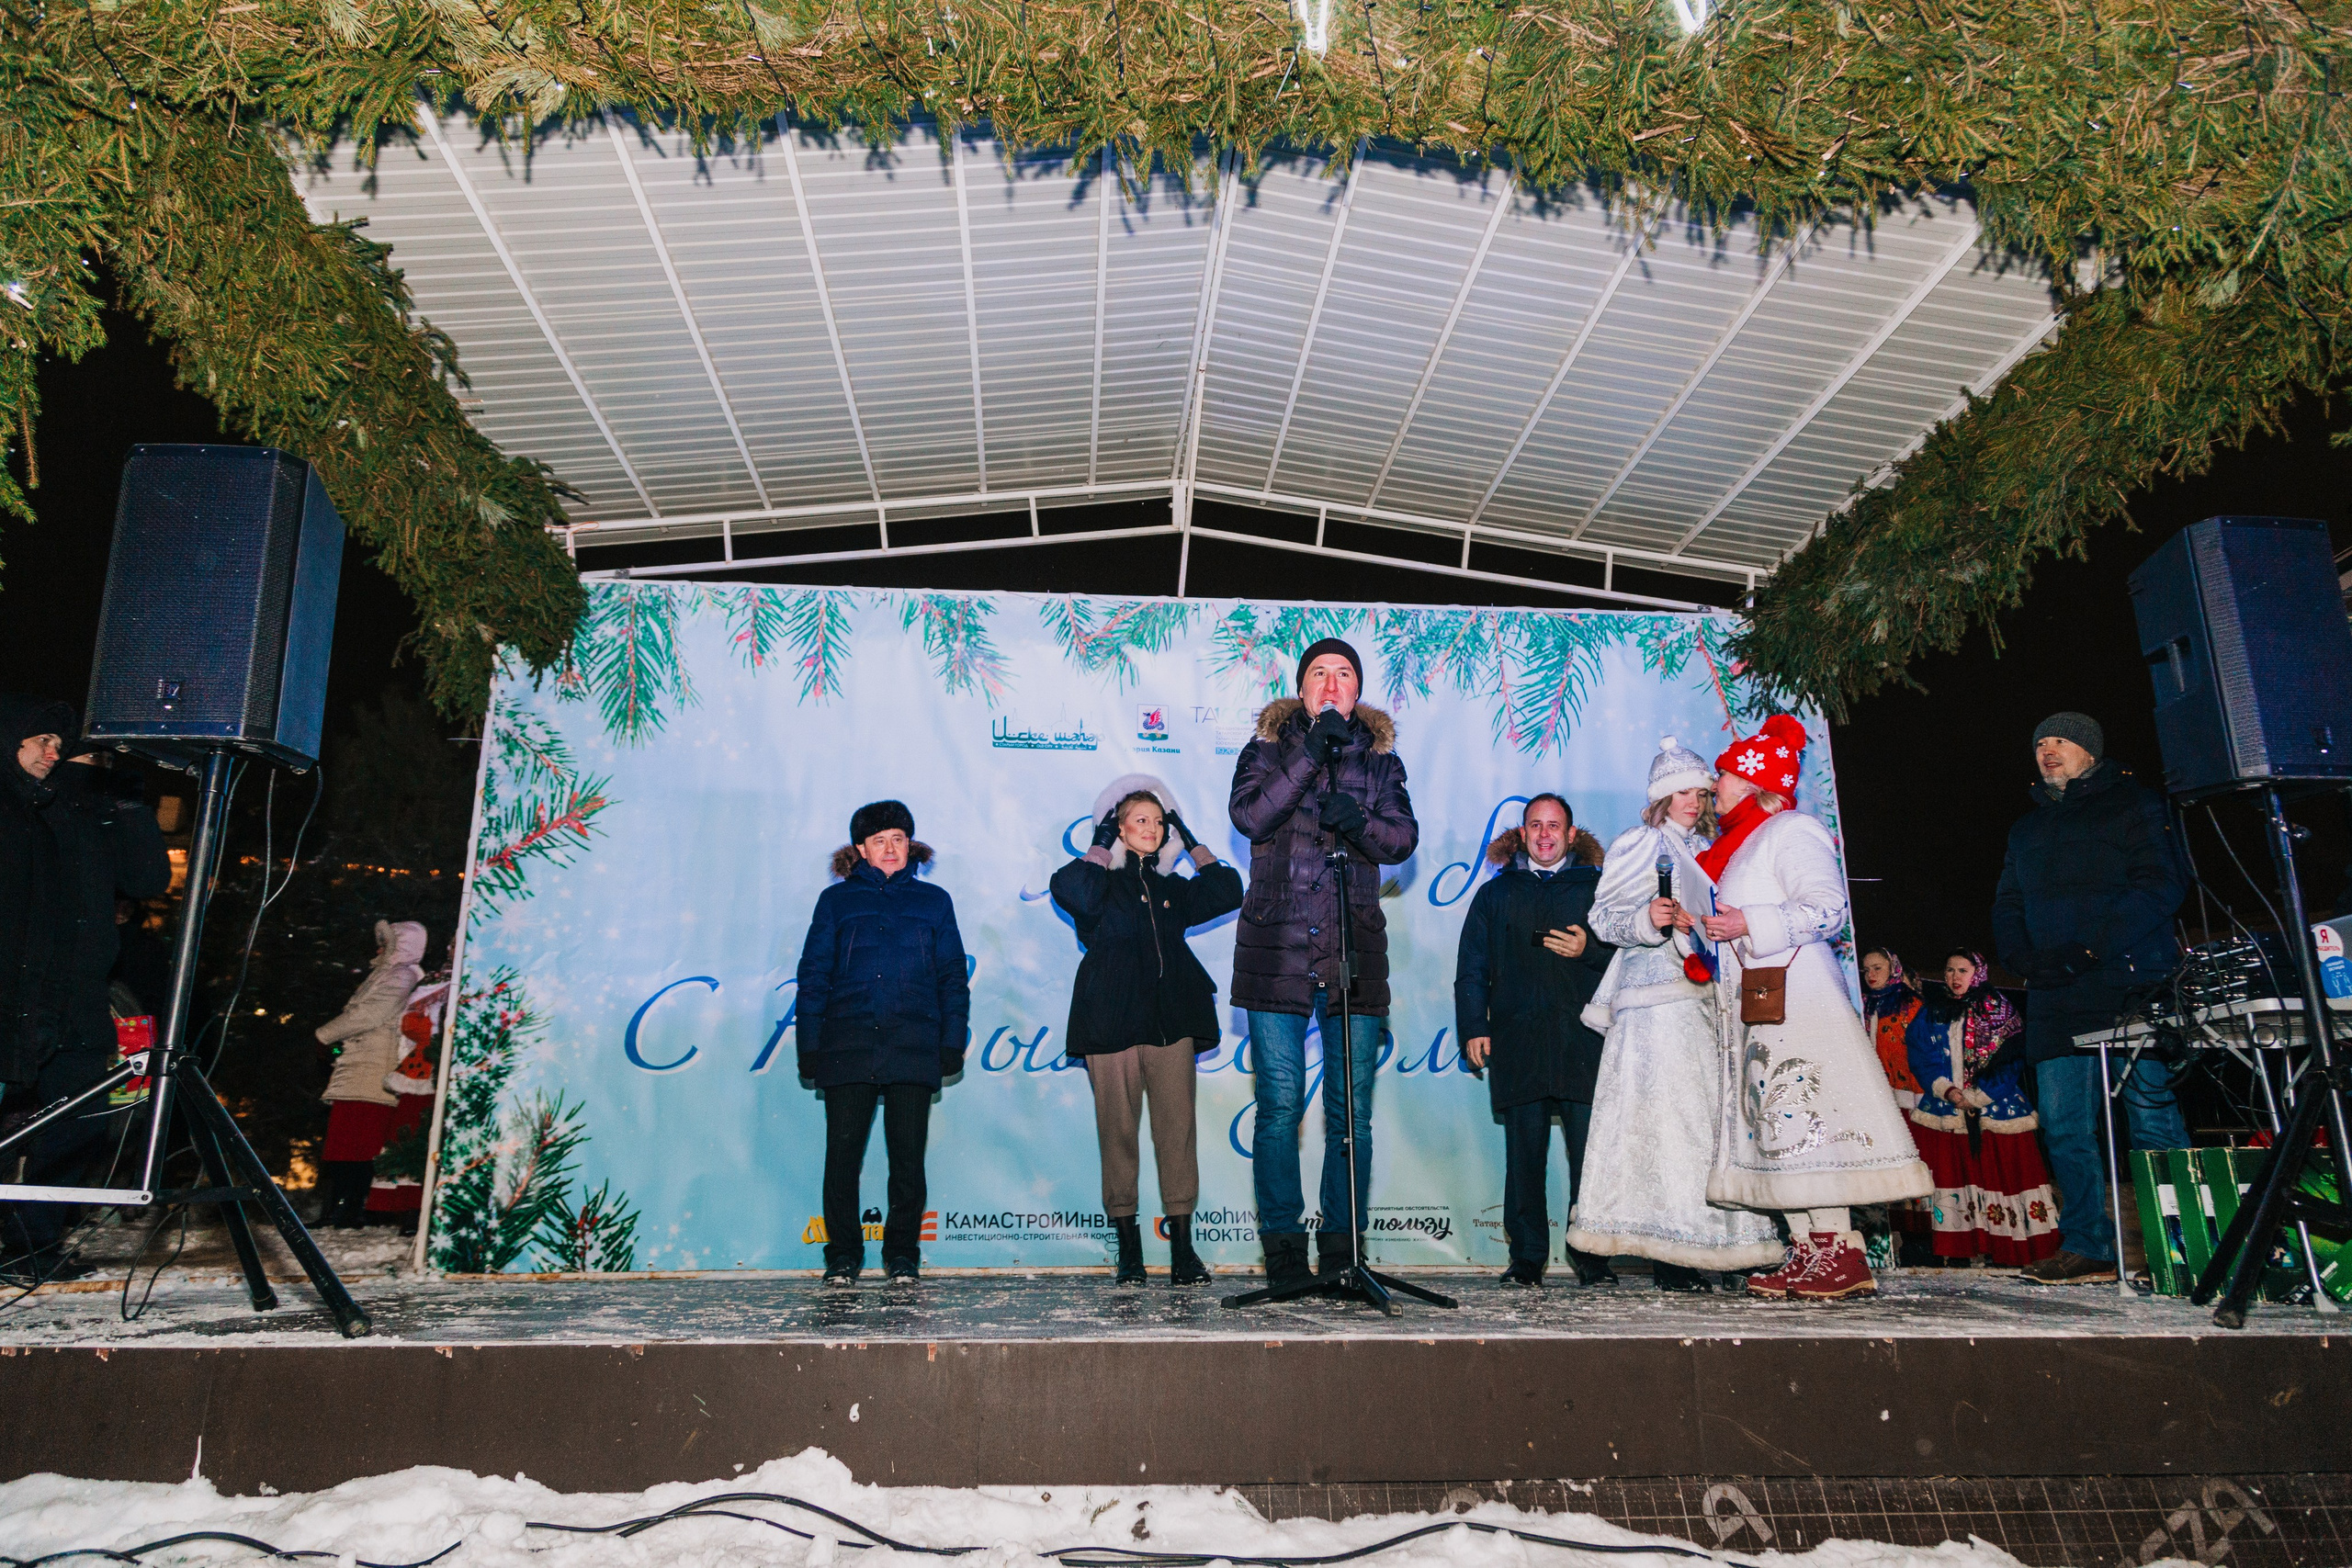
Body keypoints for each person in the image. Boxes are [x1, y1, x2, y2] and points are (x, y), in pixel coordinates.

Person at [1700, 715, 1932, 1301]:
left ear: (1753, 781)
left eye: (1723, 774)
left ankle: (1838, 1250)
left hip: (1798, 1001)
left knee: (1807, 1118)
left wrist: (1752, 921)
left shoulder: (1792, 830)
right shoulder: (1737, 846)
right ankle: (1805, 1250)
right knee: (1779, 1126)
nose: (1714, 784)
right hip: (1761, 1005)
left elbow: (1828, 909)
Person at [1228, 638, 1419, 1290]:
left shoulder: (1382, 762)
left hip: (1353, 950)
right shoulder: (1265, 751)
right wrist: (1311, 753)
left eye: (1344, 674)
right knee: (1279, 1106)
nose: (1332, 683)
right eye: (1319, 673)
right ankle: (1283, 1257)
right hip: (1275, 948)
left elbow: (1402, 839)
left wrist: (1359, 820)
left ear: (1356, 690)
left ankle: (1342, 1254)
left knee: (1349, 1115)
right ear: (1302, 689)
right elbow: (1251, 815)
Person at [1567, 739, 1782, 1291]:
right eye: (1682, 791)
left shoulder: (1709, 847)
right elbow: (1602, 918)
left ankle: (1712, 1246)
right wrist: (1648, 916)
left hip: (1702, 1005)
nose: (1694, 800)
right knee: (1658, 1128)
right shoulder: (1639, 842)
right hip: (1650, 1005)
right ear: (1662, 796)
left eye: (1700, 790)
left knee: (1704, 1128)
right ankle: (1670, 1257)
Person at [1990, 712, 2189, 1285]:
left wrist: (2095, 948)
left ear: (2091, 752)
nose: (2049, 751)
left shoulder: (2135, 804)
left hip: (2129, 981)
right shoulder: (2026, 828)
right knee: (2063, 1125)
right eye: (2041, 743)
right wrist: (2025, 960)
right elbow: (2007, 902)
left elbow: (2161, 884)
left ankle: (2180, 1246)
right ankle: (2087, 1247)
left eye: (2063, 741)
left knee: (2149, 1114)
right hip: (2056, 990)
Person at [0, 699, 170, 1284]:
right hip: (10, 995)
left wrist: (126, 797)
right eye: (40, 741)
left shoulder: (85, 807)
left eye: (61, 744)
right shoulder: (14, 808)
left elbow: (149, 879)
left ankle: (31, 1243)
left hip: (74, 998)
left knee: (80, 1122)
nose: (53, 754)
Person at [1049, 775, 1243, 1285]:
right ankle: (1129, 1252)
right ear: (1118, 827)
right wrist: (1102, 842)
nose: (1153, 829)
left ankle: (1183, 1252)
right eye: (1141, 820)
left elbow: (1228, 890)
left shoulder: (1171, 889)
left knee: (1177, 1134)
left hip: (1172, 1024)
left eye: (1160, 823)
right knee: (1118, 1136)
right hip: (1109, 1025)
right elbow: (1069, 889)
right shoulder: (1098, 886)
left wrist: (1189, 836)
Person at [795, 800, 971, 1285]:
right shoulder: (836, 902)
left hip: (913, 1043)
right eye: (879, 841)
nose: (890, 849)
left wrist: (951, 1041)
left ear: (909, 844)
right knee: (842, 1160)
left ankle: (901, 1256)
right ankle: (844, 1257)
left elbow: (953, 977)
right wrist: (809, 1045)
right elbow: (813, 977)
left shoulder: (935, 901)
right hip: (847, 1043)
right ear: (860, 849)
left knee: (908, 1162)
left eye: (898, 838)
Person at [1453, 795, 1616, 1286]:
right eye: (1535, 826)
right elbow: (1472, 968)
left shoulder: (1601, 890)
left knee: (1591, 1158)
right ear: (1522, 834)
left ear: (1571, 834)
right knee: (1524, 1157)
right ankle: (1526, 1260)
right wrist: (1474, 1026)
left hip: (1585, 1041)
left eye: (1555, 826)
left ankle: (1592, 1257)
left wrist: (1591, 949)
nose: (1545, 834)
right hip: (1517, 1039)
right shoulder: (1494, 894)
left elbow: (1630, 956)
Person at [1904, 950, 2063, 1267]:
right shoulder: (1932, 1011)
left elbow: (2012, 1058)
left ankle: (2006, 1249)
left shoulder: (1999, 1009)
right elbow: (1920, 1054)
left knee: (1998, 1178)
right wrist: (1947, 1090)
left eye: (1962, 970)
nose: (1954, 977)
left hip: (1995, 1108)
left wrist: (1976, 1097)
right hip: (1945, 1108)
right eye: (1949, 970)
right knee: (1954, 1179)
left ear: (1977, 972)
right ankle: (1957, 1248)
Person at [315, 921, 428, 1228]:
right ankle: (340, 1209)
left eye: (385, 944)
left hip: (375, 1068)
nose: (378, 950)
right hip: (359, 1065)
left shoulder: (402, 976)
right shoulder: (385, 975)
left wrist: (324, 1035)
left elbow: (370, 1014)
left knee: (361, 1144)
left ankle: (354, 1209)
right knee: (344, 1143)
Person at [1860, 947, 1933, 1259]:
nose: (1871, 974)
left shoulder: (1912, 1006)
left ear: (1894, 969)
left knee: (1917, 1170)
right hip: (1879, 1104)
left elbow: (1925, 1056)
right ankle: (1896, 1241)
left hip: (1912, 1102)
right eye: (1866, 970)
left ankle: (1925, 1243)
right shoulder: (1863, 1007)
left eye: (1878, 967)